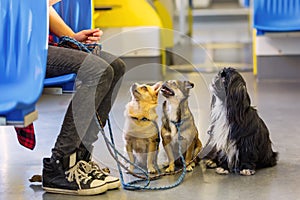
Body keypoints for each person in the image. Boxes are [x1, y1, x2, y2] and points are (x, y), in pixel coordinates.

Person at [42, 2, 126, 196]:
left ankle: (80, 159)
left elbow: (43, 7)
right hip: (18, 51)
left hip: (42, 46)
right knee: (97, 69)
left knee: (115, 65)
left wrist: (72, 37)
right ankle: (60, 163)